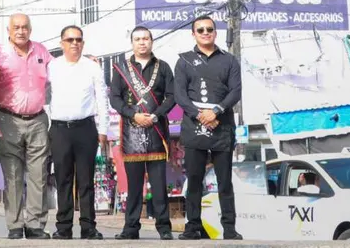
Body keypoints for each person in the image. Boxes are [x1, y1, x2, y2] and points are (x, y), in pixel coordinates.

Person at [174, 16, 242, 241]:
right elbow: (180, 95)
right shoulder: (184, 61)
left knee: (225, 181)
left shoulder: (229, 60)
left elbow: (235, 91)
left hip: (222, 125)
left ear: (215, 32)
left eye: (209, 29)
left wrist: (217, 111)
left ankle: (229, 228)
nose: (205, 33)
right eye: (200, 30)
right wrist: (201, 115)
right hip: (194, 125)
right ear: (193, 34)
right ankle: (193, 226)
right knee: (194, 180)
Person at [0, 13, 53, 240]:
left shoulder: (42, 52)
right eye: (16, 27)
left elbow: (57, 76)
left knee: (38, 174)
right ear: (9, 30)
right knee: (12, 175)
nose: (21, 31)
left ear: (30, 30)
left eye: (25, 27)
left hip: (38, 120)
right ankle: (14, 225)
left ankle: (35, 226)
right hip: (8, 119)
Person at [109, 26, 176, 241]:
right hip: (132, 131)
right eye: (137, 39)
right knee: (134, 186)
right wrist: (133, 115)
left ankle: (164, 227)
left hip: (156, 130)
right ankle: (131, 228)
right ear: (132, 43)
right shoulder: (121, 68)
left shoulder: (163, 67)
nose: (142, 42)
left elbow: (171, 96)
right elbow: (115, 98)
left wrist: (156, 115)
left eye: (145, 38)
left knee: (159, 185)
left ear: (151, 41)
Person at [46, 25, 110, 240]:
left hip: (85, 128)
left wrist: (103, 129)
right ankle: (63, 227)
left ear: (83, 43)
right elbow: (43, 95)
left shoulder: (92, 67)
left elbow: (102, 98)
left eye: (78, 39)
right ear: (61, 43)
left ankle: (88, 227)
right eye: (70, 40)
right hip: (59, 129)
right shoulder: (52, 67)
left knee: (86, 181)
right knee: (63, 180)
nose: (74, 43)